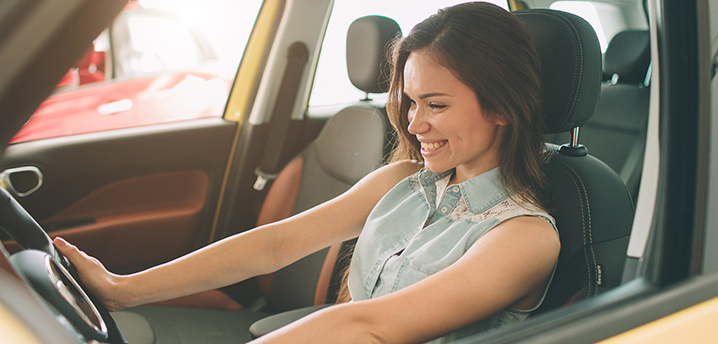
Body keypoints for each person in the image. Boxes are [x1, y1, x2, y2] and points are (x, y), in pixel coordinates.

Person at [54, 2, 560, 343]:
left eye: (437, 104)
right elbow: (274, 246)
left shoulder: (523, 237)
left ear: (502, 107)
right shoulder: (402, 182)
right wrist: (123, 288)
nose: (413, 121)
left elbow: (371, 326)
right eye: (409, 101)